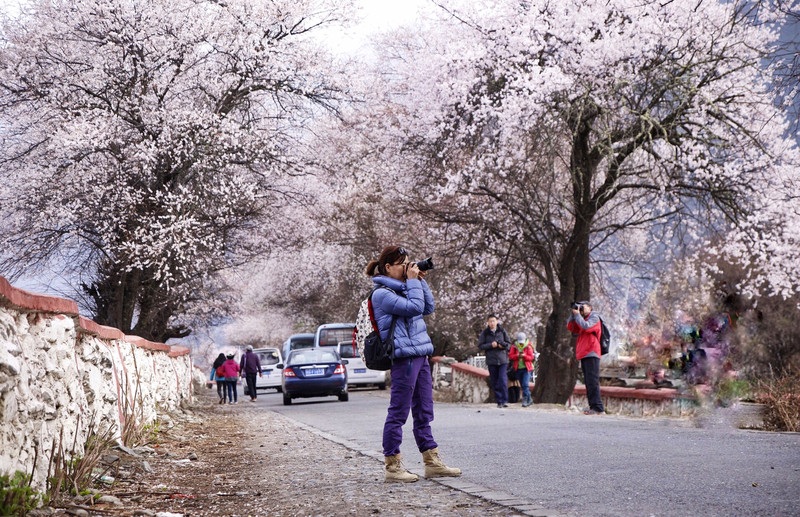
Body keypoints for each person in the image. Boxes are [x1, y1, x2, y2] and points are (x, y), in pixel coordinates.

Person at [366, 245, 461, 483]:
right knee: (399, 412)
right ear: (388, 268)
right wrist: (413, 283)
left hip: (421, 355)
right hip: (404, 358)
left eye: (409, 262)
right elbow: (415, 308)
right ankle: (392, 465)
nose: (408, 267)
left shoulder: (408, 287)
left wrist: (419, 280)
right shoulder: (382, 294)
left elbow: (428, 307)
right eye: (403, 263)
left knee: (424, 411)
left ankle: (432, 462)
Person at [567, 301, 604, 415]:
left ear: (590, 307)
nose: (581, 309)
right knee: (588, 381)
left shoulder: (594, 318)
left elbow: (586, 327)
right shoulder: (581, 318)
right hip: (584, 353)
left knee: (592, 381)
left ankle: (598, 408)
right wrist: (573, 314)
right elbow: (571, 327)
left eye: (583, 307)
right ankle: (593, 407)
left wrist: (578, 315)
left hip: (592, 352)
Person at [478, 315, 511, 408]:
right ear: (488, 323)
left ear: (497, 321)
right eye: (490, 321)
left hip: (502, 360)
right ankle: (499, 401)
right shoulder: (485, 333)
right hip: (491, 360)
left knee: (502, 379)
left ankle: (505, 400)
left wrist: (503, 346)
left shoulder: (502, 331)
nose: (492, 323)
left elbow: (509, 344)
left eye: (493, 321)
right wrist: (490, 345)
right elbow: (480, 346)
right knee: (495, 380)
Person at [509, 332, 535, 407]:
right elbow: (510, 356)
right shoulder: (514, 347)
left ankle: (525, 399)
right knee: (522, 385)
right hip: (518, 368)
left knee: (525, 384)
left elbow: (531, 358)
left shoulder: (528, 346)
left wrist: (524, 356)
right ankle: (529, 398)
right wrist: (517, 355)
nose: (521, 344)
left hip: (527, 368)